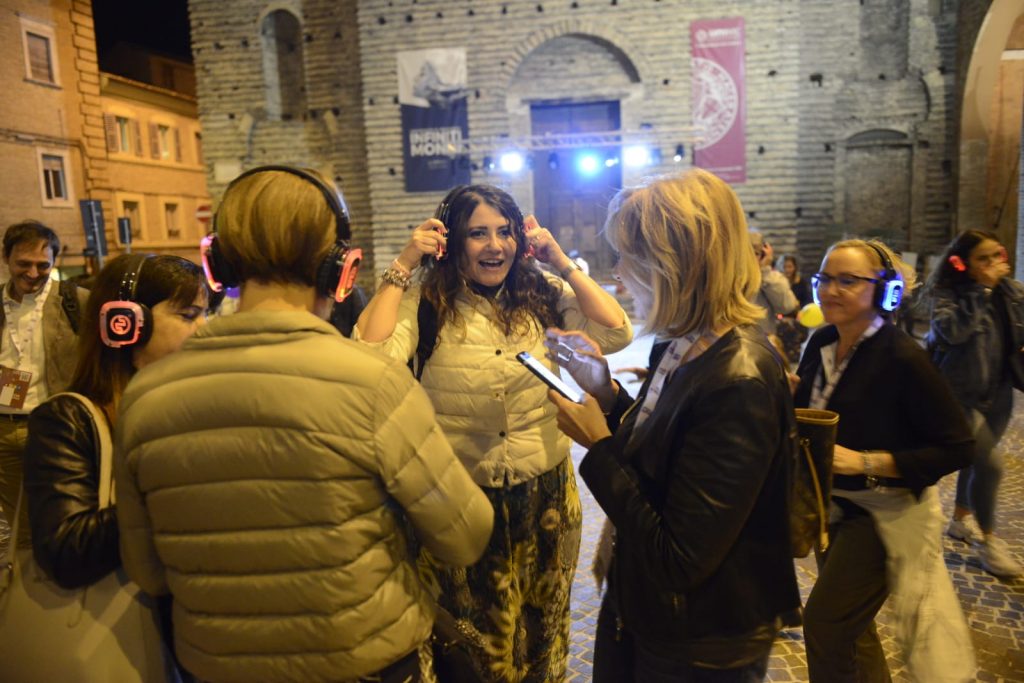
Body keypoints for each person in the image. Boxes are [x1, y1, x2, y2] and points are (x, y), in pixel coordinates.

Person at [115, 166, 493, 683]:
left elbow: (148, 571)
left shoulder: (146, 397)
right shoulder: (372, 383)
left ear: (216, 262)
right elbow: (465, 535)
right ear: (341, 267)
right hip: (364, 662)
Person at [355, 184, 632, 682]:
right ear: (452, 242)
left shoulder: (542, 292)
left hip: (545, 493)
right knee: (473, 644)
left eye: (504, 232)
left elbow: (616, 332)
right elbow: (370, 357)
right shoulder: (427, 300)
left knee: (544, 633)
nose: (495, 245)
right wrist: (404, 262)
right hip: (460, 499)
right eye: (477, 233)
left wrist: (560, 261)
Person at [545, 169, 800, 682]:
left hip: (701, 641)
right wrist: (606, 392)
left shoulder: (739, 379)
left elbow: (679, 557)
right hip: (657, 615)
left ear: (675, 265)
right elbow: (664, 453)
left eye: (627, 256)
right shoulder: (683, 341)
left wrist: (597, 444)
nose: (617, 273)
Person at [8, 253, 209, 680]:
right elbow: (66, 552)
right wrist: (169, 488)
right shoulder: (66, 420)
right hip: (108, 643)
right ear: (125, 322)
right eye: (188, 314)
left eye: (204, 314)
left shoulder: (190, 410)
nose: (203, 329)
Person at [795, 239, 975, 682]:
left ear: (886, 291)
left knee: (825, 624)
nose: (830, 291)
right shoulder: (822, 341)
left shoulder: (903, 357)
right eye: (825, 279)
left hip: (881, 517)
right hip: (830, 508)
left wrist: (867, 463)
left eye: (848, 280)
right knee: (854, 633)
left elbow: (957, 446)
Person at [926, 230, 1024, 578]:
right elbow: (950, 333)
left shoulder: (1010, 292)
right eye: (983, 259)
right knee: (992, 465)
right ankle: (989, 542)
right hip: (959, 395)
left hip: (998, 393)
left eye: (996, 255)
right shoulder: (948, 294)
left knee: (975, 461)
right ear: (962, 263)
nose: (994, 264)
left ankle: (960, 520)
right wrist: (978, 292)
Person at [0, 221, 87, 555]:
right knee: (19, 526)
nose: (33, 273)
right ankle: (24, 591)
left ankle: (60, 590)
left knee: (59, 515)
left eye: (43, 265)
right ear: (7, 258)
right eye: (24, 263)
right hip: (5, 429)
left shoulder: (74, 301)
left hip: (54, 430)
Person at [749, 229, 798, 336]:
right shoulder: (727, 277)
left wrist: (765, 271)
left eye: (756, 253)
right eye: (747, 253)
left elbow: (787, 307)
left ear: (764, 255)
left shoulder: (772, 277)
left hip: (762, 343)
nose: (750, 258)